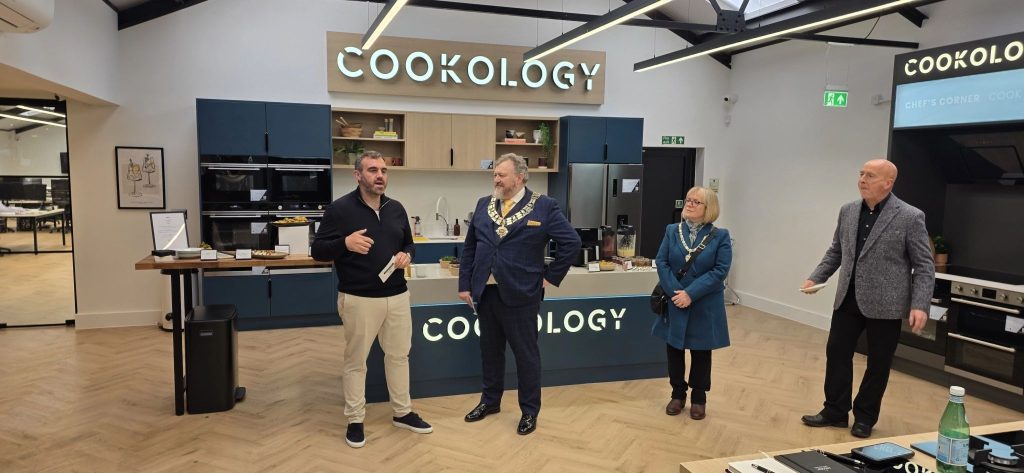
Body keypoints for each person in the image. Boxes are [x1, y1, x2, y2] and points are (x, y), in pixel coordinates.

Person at [800, 159, 933, 439]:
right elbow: (836, 250)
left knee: (878, 363)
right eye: (861, 173)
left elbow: (924, 265)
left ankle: (865, 417)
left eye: (870, 175)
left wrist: (920, 304)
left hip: (886, 304)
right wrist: (816, 277)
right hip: (847, 297)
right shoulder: (848, 211)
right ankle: (835, 411)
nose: (862, 179)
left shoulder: (910, 216)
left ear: (888, 183)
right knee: (837, 353)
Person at [311, 151, 432, 449]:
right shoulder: (339, 210)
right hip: (359, 298)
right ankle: (355, 420)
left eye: (384, 170)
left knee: (399, 356)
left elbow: (409, 244)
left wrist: (407, 255)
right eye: (373, 170)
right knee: (356, 362)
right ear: (358, 175)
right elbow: (318, 251)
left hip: (398, 295)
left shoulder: (396, 208)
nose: (380, 176)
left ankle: (402, 412)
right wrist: (345, 243)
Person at [457, 153, 580, 436]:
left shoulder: (544, 206)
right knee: (490, 352)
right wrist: (465, 284)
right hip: (486, 293)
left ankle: (529, 411)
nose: (496, 179)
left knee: (526, 356)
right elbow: (470, 248)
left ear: (520, 177)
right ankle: (490, 401)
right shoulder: (483, 204)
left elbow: (571, 242)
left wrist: (550, 277)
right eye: (495, 175)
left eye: (502, 175)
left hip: (522, 294)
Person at [653, 186, 732, 421]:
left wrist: (691, 294)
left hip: (704, 302)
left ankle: (699, 398)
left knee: (701, 351)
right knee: (674, 349)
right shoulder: (672, 231)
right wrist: (675, 293)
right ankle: (677, 394)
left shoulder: (720, 236)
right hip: (675, 299)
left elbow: (720, 270)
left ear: (709, 208)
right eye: (688, 200)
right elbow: (662, 262)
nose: (689, 204)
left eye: (696, 202)